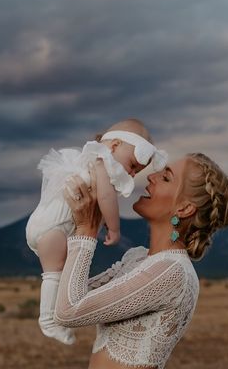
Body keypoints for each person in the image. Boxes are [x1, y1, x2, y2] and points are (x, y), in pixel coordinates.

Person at [54, 152, 228, 369]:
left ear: (184, 208)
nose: (152, 176)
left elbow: (68, 312)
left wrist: (87, 229)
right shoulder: (137, 257)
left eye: (166, 177)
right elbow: (64, 298)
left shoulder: (172, 272)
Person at [25, 118, 168, 344]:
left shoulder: (90, 161)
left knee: (59, 276)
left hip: (47, 225)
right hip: (54, 227)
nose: (132, 174)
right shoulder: (100, 163)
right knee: (54, 275)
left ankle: (56, 314)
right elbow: (105, 198)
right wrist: (114, 228)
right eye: (132, 166)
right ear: (114, 146)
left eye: (136, 171)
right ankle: (49, 321)